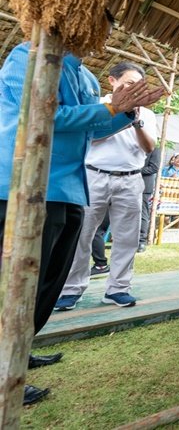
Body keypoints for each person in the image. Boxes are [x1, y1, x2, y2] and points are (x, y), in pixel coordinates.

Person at [0, 36, 162, 405]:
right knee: (17, 284)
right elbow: (45, 115)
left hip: (72, 189)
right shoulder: (28, 56)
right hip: (27, 185)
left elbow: (91, 130)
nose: (100, 36)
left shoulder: (85, 76)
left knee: (47, 283)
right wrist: (109, 109)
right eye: (98, 25)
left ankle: (18, 353)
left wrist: (125, 112)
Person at [55, 62, 158, 311]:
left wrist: (136, 121)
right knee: (82, 234)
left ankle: (118, 289)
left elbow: (149, 148)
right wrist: (120, 114)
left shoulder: (147, 113)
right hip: (94, 175)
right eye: (129, 82)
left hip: (131, 178)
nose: (134, 89)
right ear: (112, 81)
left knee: (127, 237)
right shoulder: (99, 105)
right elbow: (93, 136)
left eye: (138, 85)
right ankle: (71, 289)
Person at [137, 146, 161, 252]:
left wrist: (135, 170)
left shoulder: (155, 149)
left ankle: (142, 241)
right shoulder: (134, 146)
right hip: (129, 185)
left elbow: (154, 168)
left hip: (144, 185)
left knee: (143, 214)